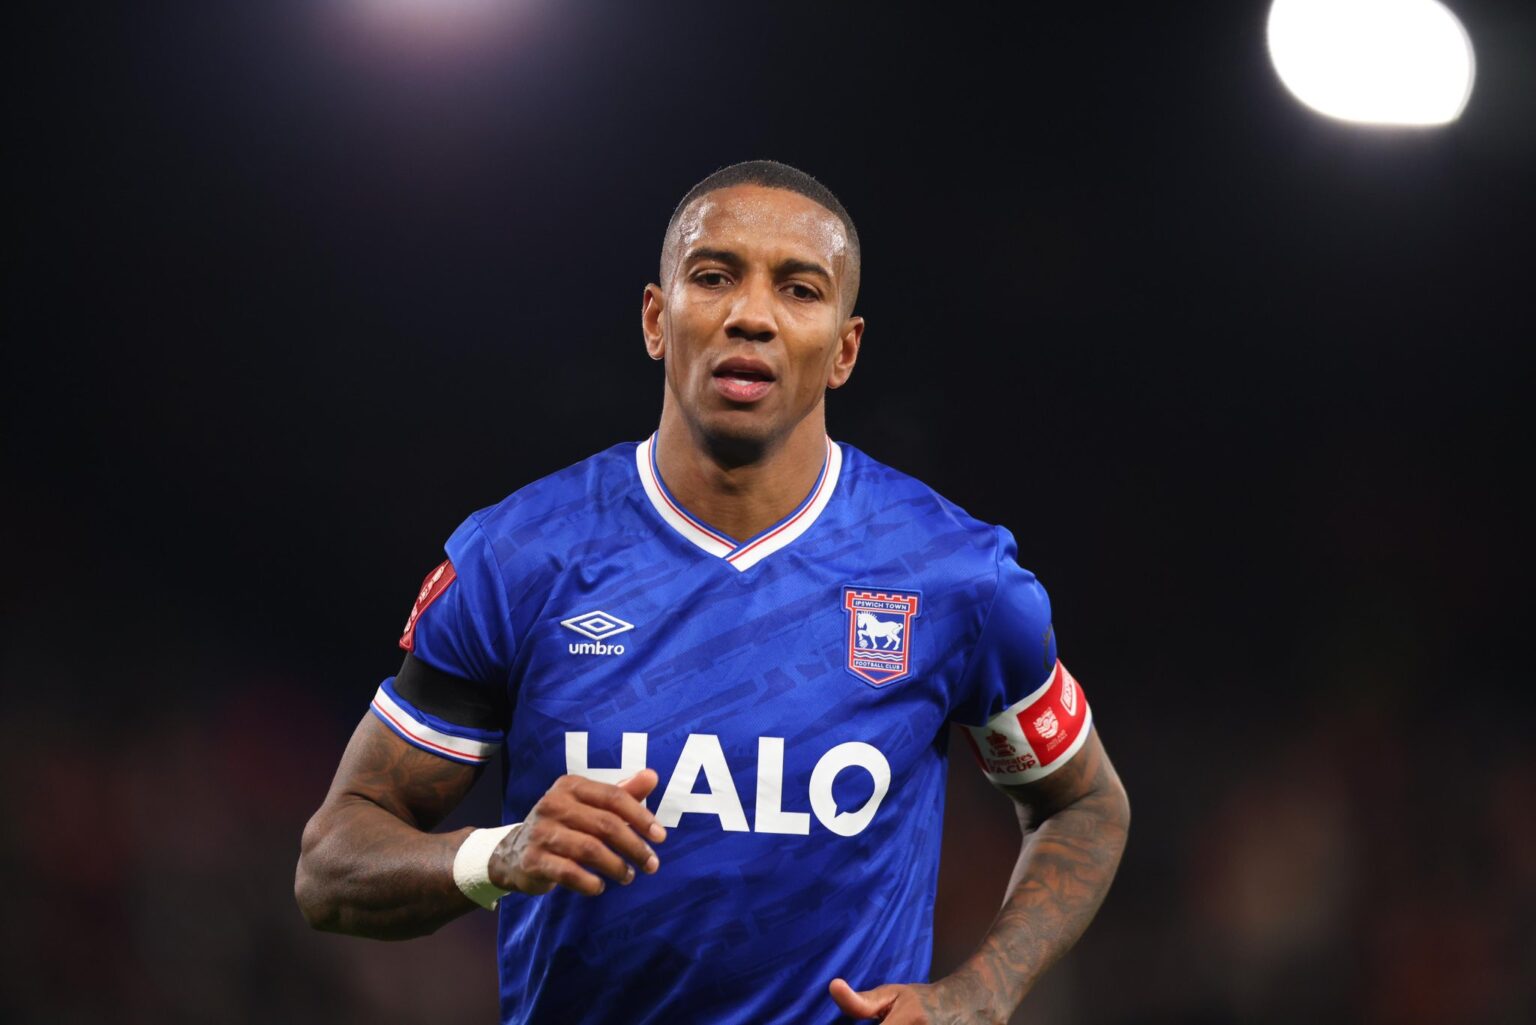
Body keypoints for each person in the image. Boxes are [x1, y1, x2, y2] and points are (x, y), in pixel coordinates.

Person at [295, 159, 1130, 1025]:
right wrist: (495, 855)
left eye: (799, 289)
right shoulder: (519, 557)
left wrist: (984, 991)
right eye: (714, 276)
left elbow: (1084, 804)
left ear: (844, 350)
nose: (751, 315)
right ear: (657, 320)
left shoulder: (954, 575)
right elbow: (331, 865)